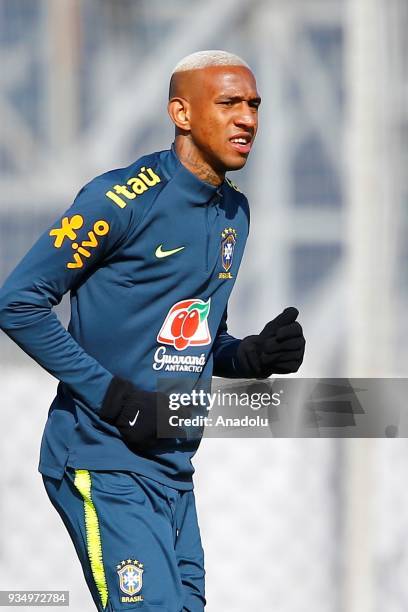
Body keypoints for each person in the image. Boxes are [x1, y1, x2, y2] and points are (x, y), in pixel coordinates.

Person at [0, 50, 305, 611]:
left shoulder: (234, 213)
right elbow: (18, 303)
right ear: (181, 113)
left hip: (174, 472)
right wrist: (115, 399)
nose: (248, 119)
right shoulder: (118, 199)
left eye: (254, 106)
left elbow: (195, 340)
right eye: (229, 103)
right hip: (104, 460)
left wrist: (253, 356)